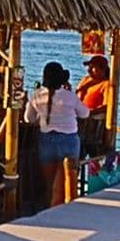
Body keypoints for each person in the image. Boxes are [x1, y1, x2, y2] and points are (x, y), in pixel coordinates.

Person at [25, 61, 90, 208]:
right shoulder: (69, 96)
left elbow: (28, 118)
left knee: (50, 183)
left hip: (46, 140)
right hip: (68, 140)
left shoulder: (36, 95)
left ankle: (51, 210)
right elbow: (85, 113)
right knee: (68, 180)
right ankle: (68, 211)